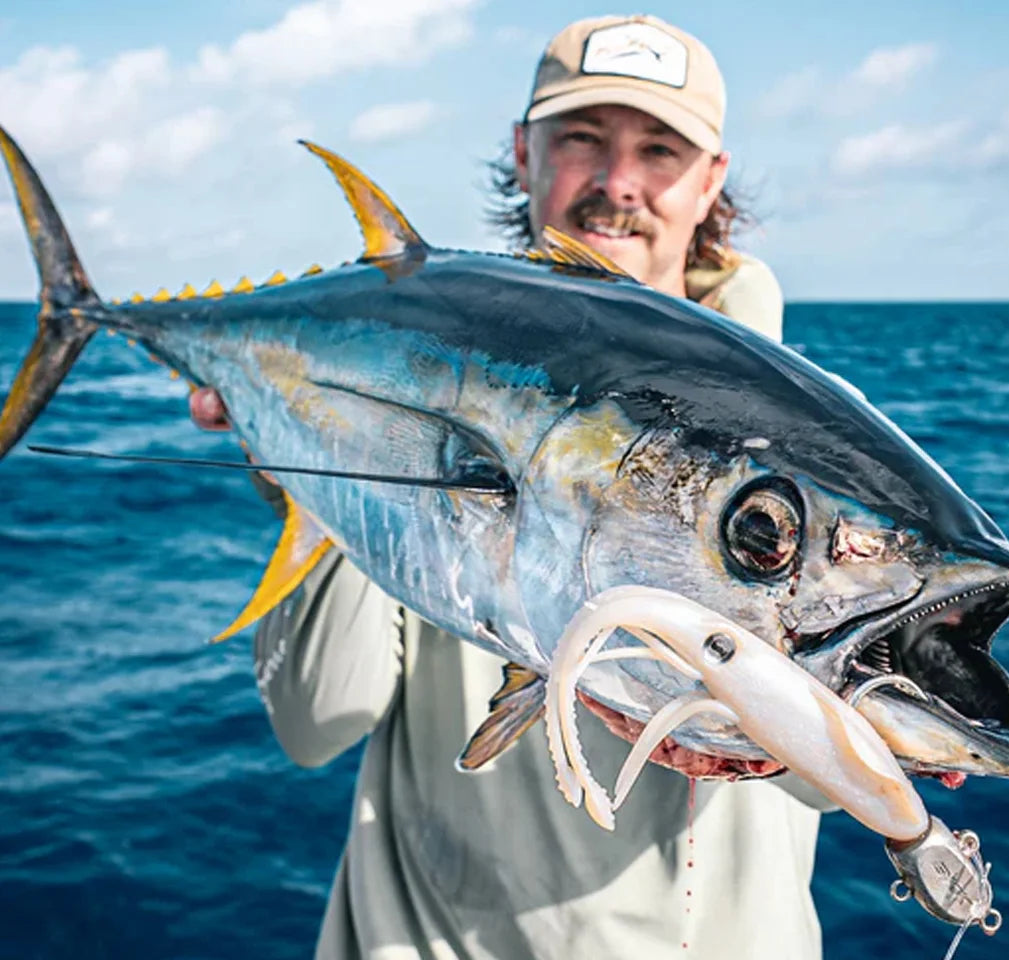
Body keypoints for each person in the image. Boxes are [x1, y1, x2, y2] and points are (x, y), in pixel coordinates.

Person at [191, 15, 824, 959]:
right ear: (524, 155)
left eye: (658, 149)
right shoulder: (427, 383)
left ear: (709, 182)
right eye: (581, 140)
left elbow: (847, 763)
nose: (616, 184)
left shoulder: (825, 452)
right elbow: (320, 721)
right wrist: (308, 466)